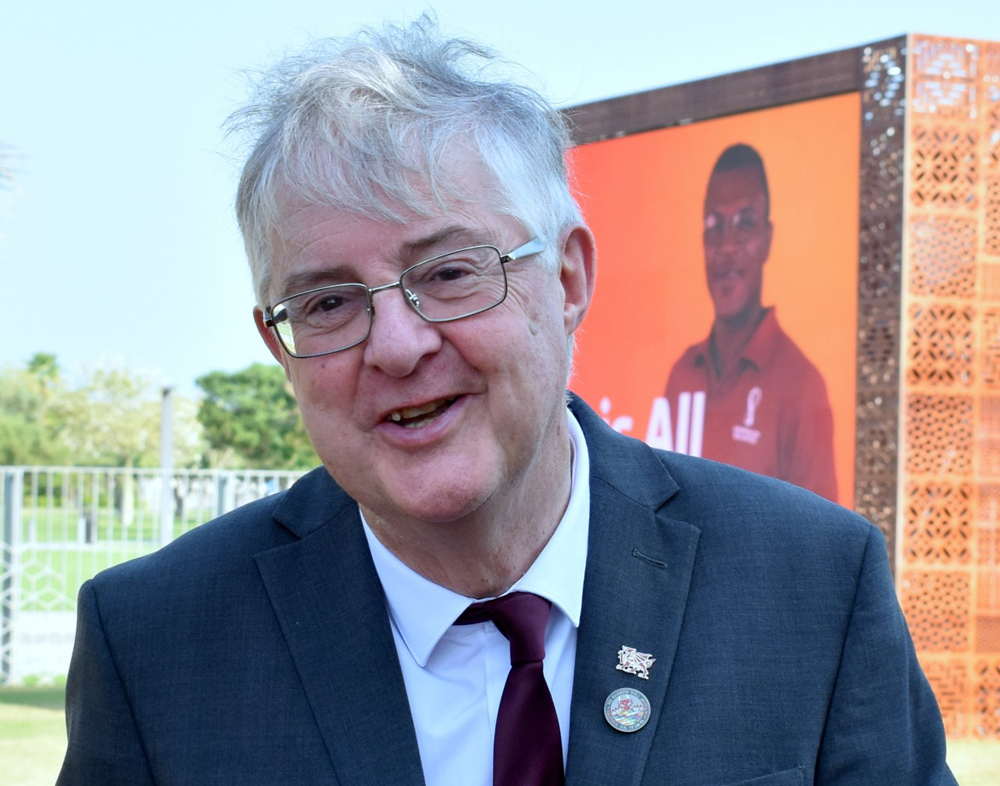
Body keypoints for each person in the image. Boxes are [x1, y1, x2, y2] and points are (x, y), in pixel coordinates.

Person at [58, 18, 955, 786]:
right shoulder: (156, 647)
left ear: (567, 282)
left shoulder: (810, 586)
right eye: (329, 303)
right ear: (278, 347)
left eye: (449, 274)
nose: (399, 345)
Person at [665, 144, 839, 502]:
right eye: (715, 226)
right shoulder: (681, 375)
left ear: (767, 240)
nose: (727, 246)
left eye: (744, 223)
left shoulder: (802, 387)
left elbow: (819, 542)